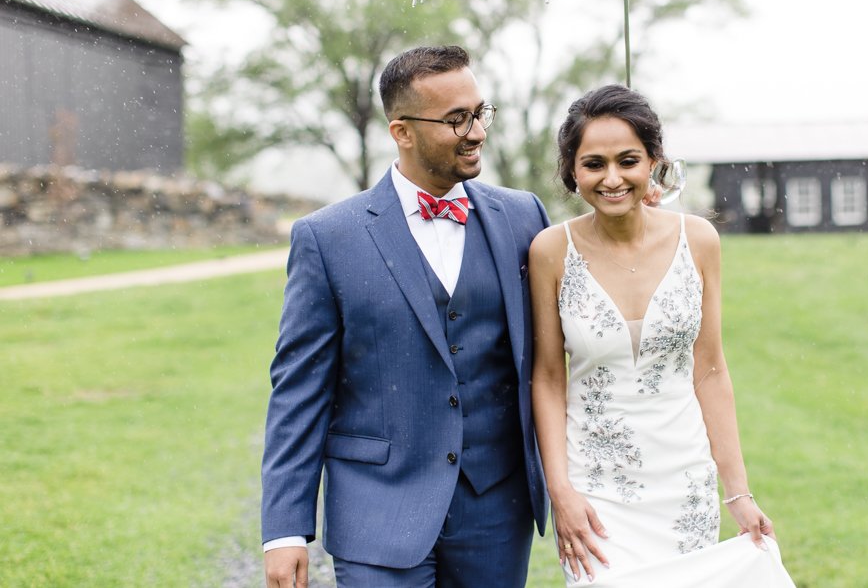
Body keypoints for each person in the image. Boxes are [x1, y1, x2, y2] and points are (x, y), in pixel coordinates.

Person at [260, 45, 550, 588]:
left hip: (495, 506)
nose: (477, 132)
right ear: (402, 131)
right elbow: (298, 390)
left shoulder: (523, 216)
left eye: (480, 112)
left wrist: (638, 218)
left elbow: (567, 330)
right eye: (455, 119)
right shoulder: (328, 238)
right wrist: (284, 530)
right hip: (377, 506)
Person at [529, 85, 796, 586]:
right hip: (596, 489)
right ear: (572, 171)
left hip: (683, 481)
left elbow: (711, 371)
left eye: (628, 160)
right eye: (594, 164)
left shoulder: (699, 239)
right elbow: (547, 378)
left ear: (654, 161)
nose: (612, 178)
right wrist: (560, 490)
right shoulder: (549, 251)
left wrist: (738, 492)